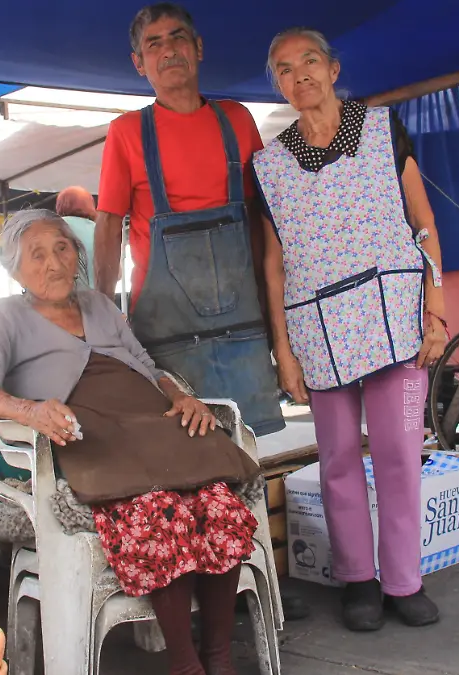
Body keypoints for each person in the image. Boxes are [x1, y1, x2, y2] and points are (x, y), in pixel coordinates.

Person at [0, 209, 261, 675]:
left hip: (152, 422)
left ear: (77, 251)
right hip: (93, 434)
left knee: (218, 503)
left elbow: (145, 364)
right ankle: (186, 664)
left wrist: (183, 397)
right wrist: (32, 411)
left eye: (62, 247)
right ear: (14, 269)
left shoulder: (99, 304)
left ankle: (219, 655)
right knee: (158, 511)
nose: (54, 262)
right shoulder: (5, 315)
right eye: (36, 255)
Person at [254, 28, 450, 632]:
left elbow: (423, 220)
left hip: (395, 317)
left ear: (333, 69)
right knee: (337, 459)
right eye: (284, 70)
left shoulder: (383, 129)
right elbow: (273, 263)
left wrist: (436, 307)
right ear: (279, 85)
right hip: (318, 331)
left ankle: (403, 580)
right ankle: (358, 582)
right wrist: (283, 351)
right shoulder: (267, 166)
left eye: (309, 62)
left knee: (398, 454)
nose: (300, 76)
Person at [93, 2, 284, 437]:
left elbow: (262, 221)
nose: (169, 50)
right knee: (181, 457)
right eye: (153, 44)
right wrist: (101, 311)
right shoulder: (126, 132)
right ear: (139, 64)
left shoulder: (237, 119)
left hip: (244, 329)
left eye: (178, 37)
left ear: (198, 48)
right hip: (166, 335)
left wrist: (275, 314)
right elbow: (108, 226)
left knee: (246, 450)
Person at [55, 186, 99, 288]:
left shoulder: (52, 227)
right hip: (94, 298)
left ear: (59, 206)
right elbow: (117, 273)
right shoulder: (100, 231)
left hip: (58, 298)